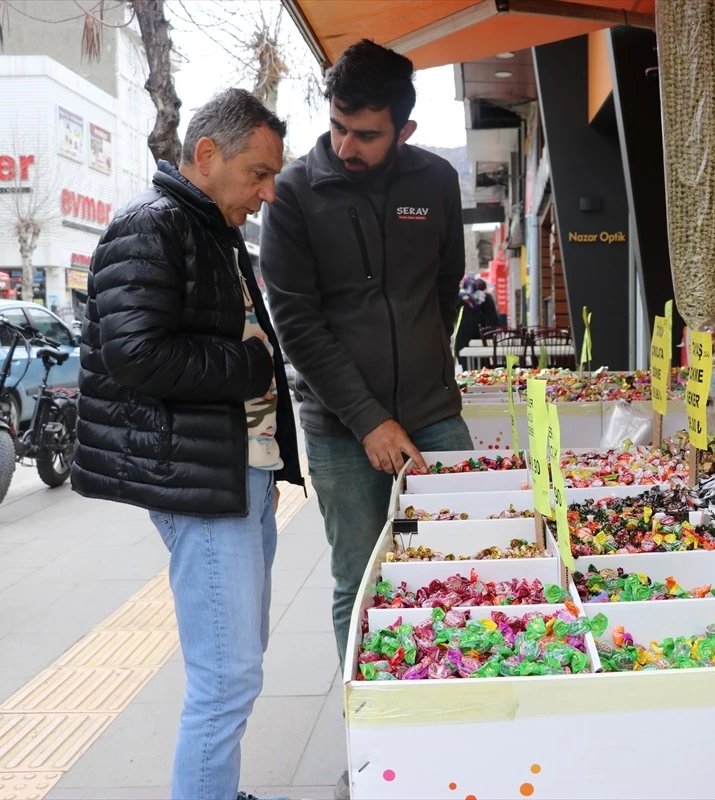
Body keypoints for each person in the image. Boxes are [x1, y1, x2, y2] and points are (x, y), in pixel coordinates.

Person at [71, 88, 303, 800]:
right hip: (203, 483)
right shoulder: (153, 225)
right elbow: (134, 354)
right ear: (207, 155)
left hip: (237, 474)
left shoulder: (207, 225)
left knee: (238, 662)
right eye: (258, 174)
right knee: (227, 676)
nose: (265, 195)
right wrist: (248, 365)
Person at [260, 39, 473, 667]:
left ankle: (457, 697)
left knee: (461, 556)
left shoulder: (436, 181)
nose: (346, 147)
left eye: (367, 134)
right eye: (336, 127)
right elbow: (295, 323)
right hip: (337, 426)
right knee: (360, 578)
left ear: (403, 129)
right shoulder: (295, 191)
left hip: (434, 414)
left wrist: (427, 371)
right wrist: (369, 418)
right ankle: (372, 737)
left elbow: (444, 291)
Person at [455, 276, 501, 368]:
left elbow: (453, 315)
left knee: (467, 366)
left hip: (464, 337)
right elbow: (494, 319)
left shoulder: (461, 299)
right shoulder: (487, 298)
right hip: (483, 337)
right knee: (482, 365)